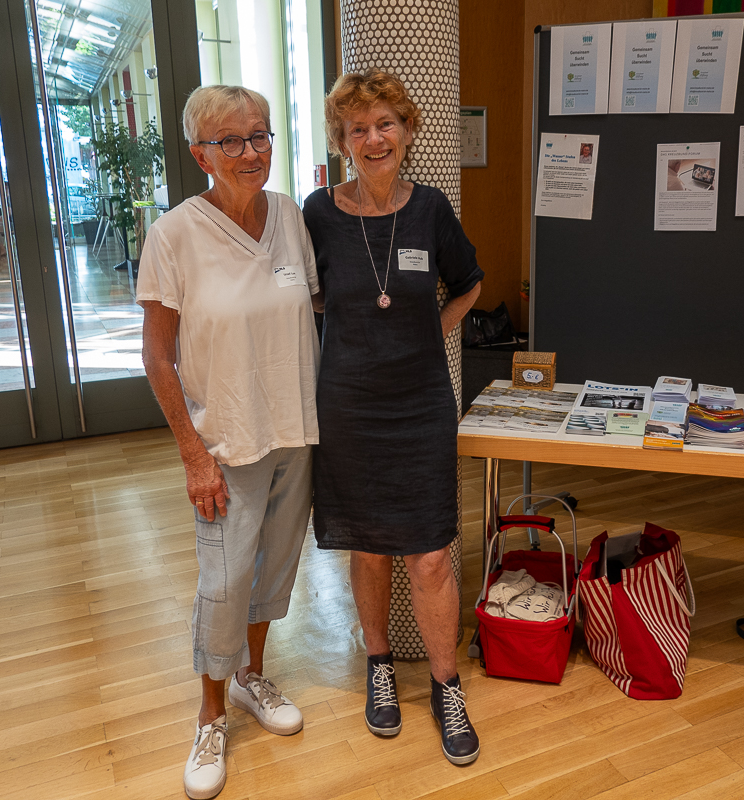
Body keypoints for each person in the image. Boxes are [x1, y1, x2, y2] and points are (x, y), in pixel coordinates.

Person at [136, 85, 322, 800]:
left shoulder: (290, 217)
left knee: (273, 569)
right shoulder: (173, 235)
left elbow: (312, 306)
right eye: (231, 141)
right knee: (223, 583)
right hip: (225, 441)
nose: (251, 152)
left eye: (260, 135)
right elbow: (158, 357)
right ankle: (210, 715)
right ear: (200, 154)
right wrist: (193, 454)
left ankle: (250, 677)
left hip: (294, 432)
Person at [303, 68, 485, 766]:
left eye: (386, 124)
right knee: (369, 545)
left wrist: (429, 331)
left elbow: (469, 283)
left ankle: (446, 686)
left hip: (420, 406)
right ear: (342, 141)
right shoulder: (319, 214)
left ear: (407, 131)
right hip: (348, 405)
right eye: (359, 128)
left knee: (431, 552)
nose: (374, 138)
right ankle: (378, 664)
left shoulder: (431, 209)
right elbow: (307, 296)